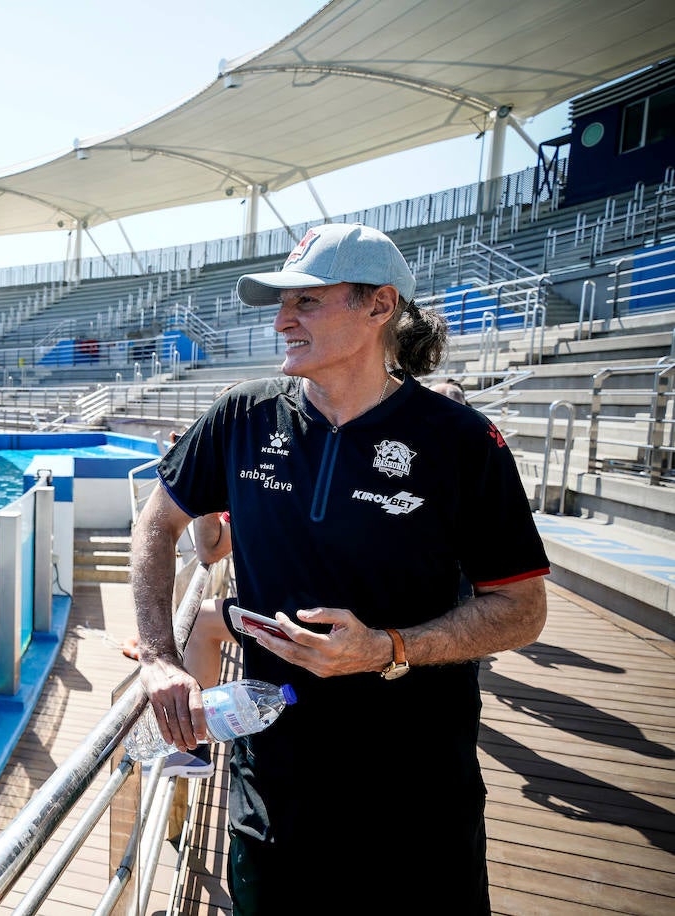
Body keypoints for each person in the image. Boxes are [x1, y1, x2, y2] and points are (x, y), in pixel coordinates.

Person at [130, 223, 549, 914]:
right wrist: (158, 656)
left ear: (380, 307)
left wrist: (388, 649)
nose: (282, 319)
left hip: (417, 799)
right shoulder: (243, 415)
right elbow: (156, 523)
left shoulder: (462, 442)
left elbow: (523, 609)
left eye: (308, 301)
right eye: (280, 302)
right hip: (273, 793)